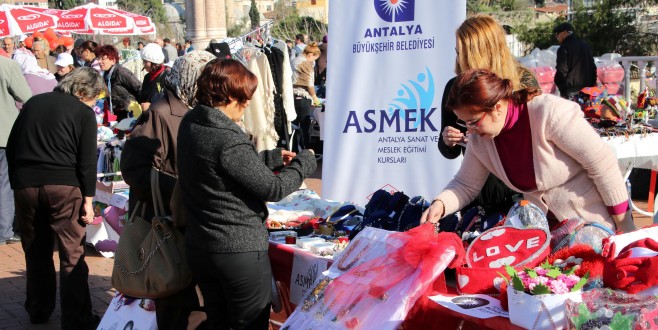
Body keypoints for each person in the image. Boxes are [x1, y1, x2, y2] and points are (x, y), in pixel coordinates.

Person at [177, 58, 317, 329]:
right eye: (243, 99)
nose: (247, 105)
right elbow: (272, 188)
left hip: (202, 245)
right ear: (229, 96)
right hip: (236, 250)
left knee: (217, 321)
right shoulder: (226, 137)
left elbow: (221, 169)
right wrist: (304, 164)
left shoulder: (192, 122)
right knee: (249, 324)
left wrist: (272, 157)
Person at [421, 69, 636, 234]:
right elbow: (465, 184)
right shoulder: (480, 140)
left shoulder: (548, 112)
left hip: (596, 225)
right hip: (543, 233)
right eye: (464, 122)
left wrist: (623, 224)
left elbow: (602, 162)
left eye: (474, 121)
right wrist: (440, 204)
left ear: (496, 107)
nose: (469, 130)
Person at [121, 49, 216, 330]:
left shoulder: (192, 110)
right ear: (191, 79)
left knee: (195, 303)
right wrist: (182, 191)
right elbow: (136, 170)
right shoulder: (161, 113)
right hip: (169, 225)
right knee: (179, 304)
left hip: (189, 221)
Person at [6, 67, 104, 328]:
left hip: (27, 185)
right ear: (83, 92)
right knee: (72, 253)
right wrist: (88, 200)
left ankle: (38, 310)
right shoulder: (83, 113)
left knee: (36, 249)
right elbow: (86, 161)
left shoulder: (34, 103)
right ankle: (76, 317)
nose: (94, 103)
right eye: (94, 98)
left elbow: (13, 145)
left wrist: (18, 181)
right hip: (64, 187)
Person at [439, 16, 539, 217]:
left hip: (521, 194)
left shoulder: (523, 81)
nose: (458, 58)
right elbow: (447, 152)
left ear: (481, 52)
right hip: (477, 194)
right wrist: (448, 140)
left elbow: (537, 140)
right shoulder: (455, 89)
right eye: (457, 52)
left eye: (462, 52)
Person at [0, 53, 31, 245]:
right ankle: (4, 231)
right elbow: (25, 95)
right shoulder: (7, 65)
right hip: (4, 133)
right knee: (4, 184)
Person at [95, 44, 142, 123]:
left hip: (130, 111)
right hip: (117, 112)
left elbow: (139, 88)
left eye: (103, 59)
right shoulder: (106, 73)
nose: (99, 61)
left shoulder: (121, 72)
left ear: (113, 60)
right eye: (98, 58)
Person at [553, 22, 597, 99]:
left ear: (565, 33)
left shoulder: (563, 48)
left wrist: (559, 83)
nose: (556, 36)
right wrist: (592, 84)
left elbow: (562, 70)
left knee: (571, 111)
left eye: (557, 34)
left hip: (571, 90)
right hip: (587, 90)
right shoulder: (585, 45)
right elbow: (593, 67)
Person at [291, 42, 321, 150]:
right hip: (302, 97)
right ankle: (307, 153)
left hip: (292, 97)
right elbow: (309, 84)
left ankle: (293, 150)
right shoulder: (305, 64)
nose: (314, 61)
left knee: (293, 127)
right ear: (310, 55)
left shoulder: (294, 60)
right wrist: (315, 97)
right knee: (305, 127)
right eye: (314, 58)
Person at [138, 43, 167, 111]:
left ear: (154, 63)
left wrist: (151, 106)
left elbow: (168, 102)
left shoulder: (167, 77)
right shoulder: (147, 77)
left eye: (145, 62)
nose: (144, 65)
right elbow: (142, 98)